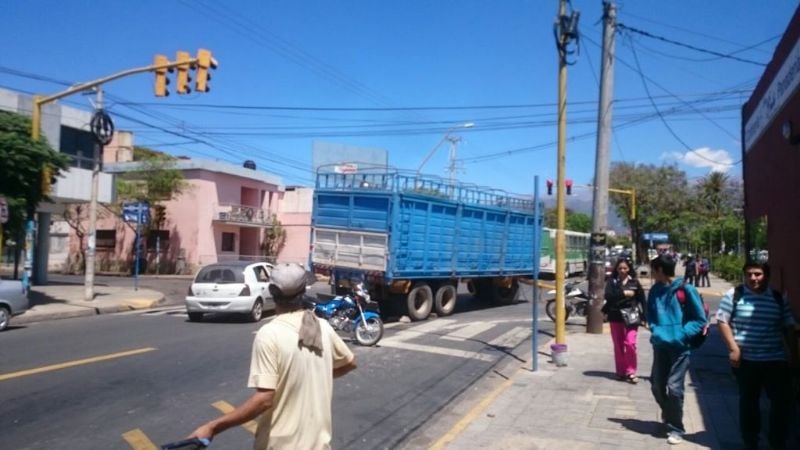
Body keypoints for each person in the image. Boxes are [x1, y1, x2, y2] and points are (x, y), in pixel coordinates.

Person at [189, 263, 357, 449]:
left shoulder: (270, 334)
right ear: (303, 291)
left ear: (272, 292)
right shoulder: (322, 326)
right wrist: (317, 376)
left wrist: (213, 427)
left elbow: (264, 399)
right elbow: (349, 362)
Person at [715, 262, 798, 449]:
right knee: (749, 402)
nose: (753, 278)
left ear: (767, 276)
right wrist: (733, 349)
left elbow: (789, 326)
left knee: (781, 403)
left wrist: (794, 357)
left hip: (775, 359)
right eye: (749, 274)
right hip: (746, 361)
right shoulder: (734, 295)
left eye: (758, 274)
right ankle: (750, 441)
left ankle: (777, 441)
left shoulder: (777, 298)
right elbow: (722, 321)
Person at [646, 253, 707, 445]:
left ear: (660, 270)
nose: (650, 273)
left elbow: (700, 319)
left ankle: (676, 428)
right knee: (657, 386)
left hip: (680, 348)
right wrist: (655, 329)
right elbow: (650, 314)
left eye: (652, 270)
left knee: (674, 387)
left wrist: (682, 334)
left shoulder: (686, 289)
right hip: (660, 345)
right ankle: (670, 413)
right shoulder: (655, 290)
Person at [604, 258, 646, 384]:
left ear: (629, 269)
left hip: (631, 317)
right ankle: (621, 371)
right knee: (618, 345)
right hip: (615, 316)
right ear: (616, 269)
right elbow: (608, 296)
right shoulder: (612, 282)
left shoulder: (634, 282)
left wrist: (645, 317)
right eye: (620, 268)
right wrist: (624, 293)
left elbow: (642, 300)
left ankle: (631, 371)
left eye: (625, 268)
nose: (622, 270)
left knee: (630, 343)